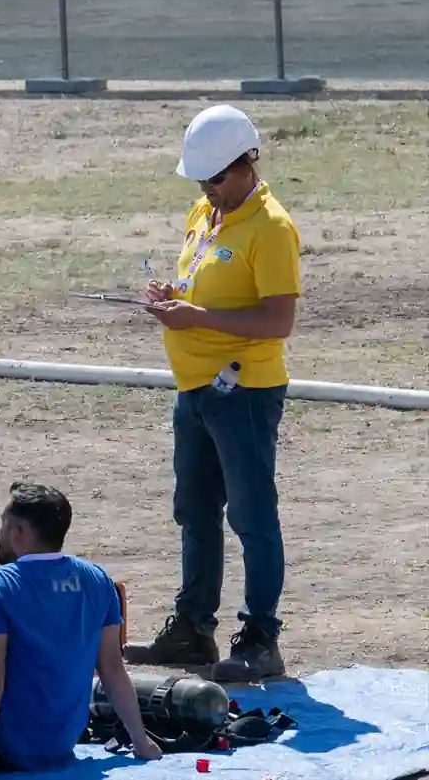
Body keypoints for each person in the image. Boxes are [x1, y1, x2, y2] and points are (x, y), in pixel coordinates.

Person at [128, 104, 301, 683]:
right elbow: (203, 278)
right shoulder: (205, 211)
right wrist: (171, 294)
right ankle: (192, 630)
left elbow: (278, 321)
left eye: (217, 178)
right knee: (196, 511)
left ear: (245, 163)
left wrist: (196, 315)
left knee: (252, 517)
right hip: (195, 387)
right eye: (202, 179)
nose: (209, 188)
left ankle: (260, 637)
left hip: (244, 391)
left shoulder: (272, 229)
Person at [0, 483, 162, 780]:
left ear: (18, 532)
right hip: (60, 745)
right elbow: (111, 668)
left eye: (4, 525)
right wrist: (141, 741)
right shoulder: (97, 580)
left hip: (2, 749)